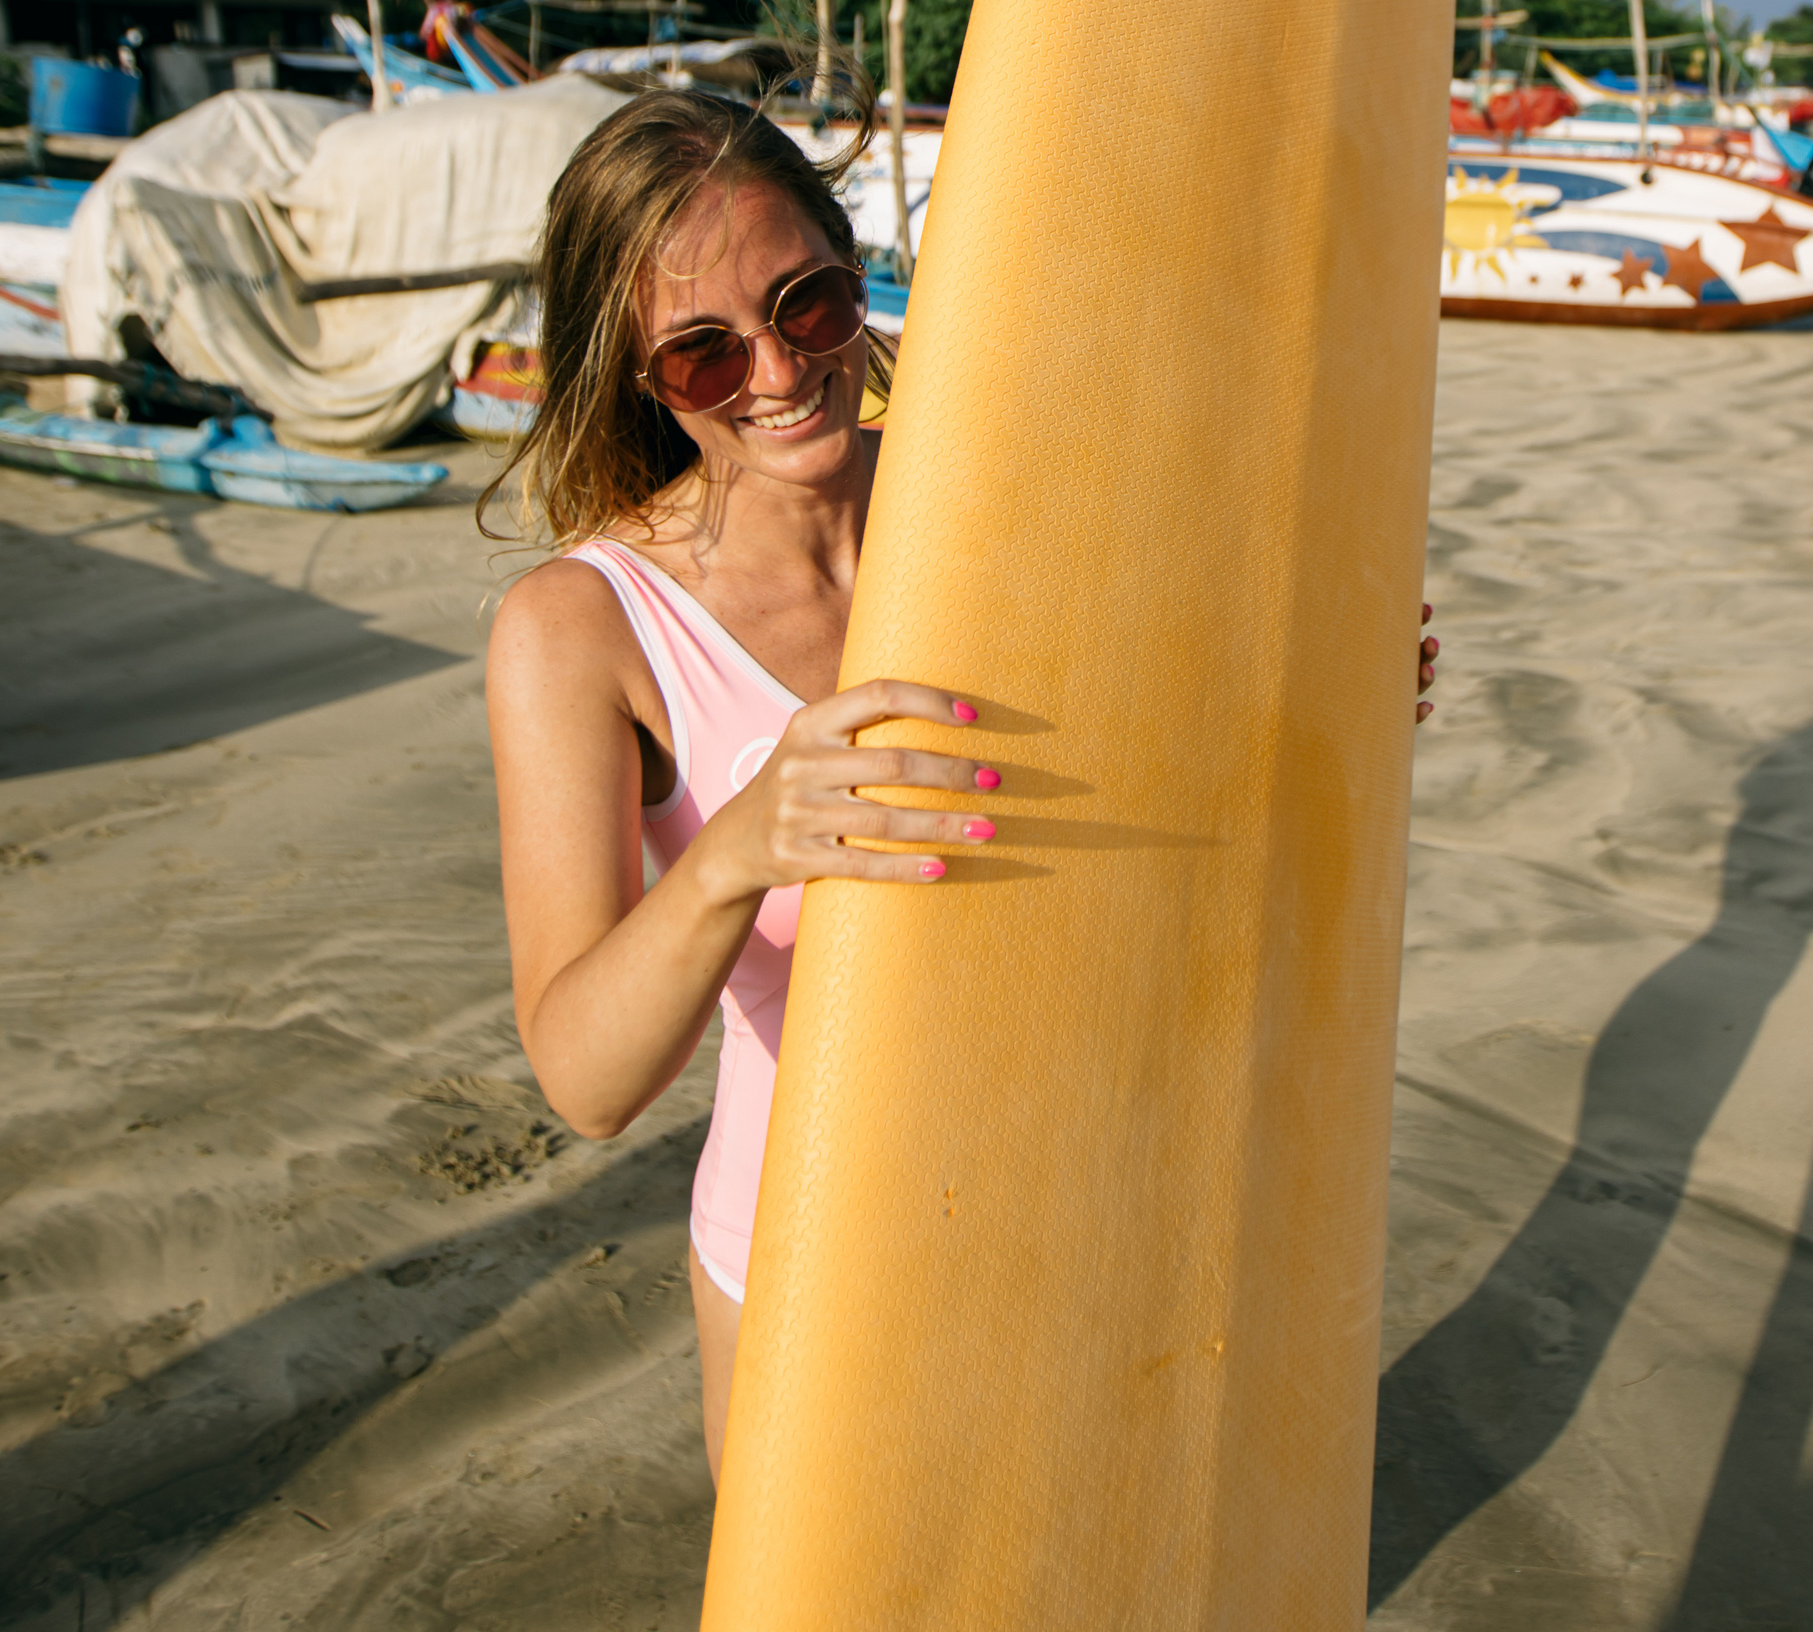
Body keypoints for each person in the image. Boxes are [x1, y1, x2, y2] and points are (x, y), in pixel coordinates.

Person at [483, 86, 1441, 1481]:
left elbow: (1159, 791)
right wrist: (736, 852)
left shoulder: (1003, 501)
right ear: (637, 376)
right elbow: (584, 1078)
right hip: (819, 1271)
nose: (774, 371)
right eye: (700, 354)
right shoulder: (581, 630)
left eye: (806, 305)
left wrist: (1338, 710)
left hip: (1107, 1224)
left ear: (855, 268)